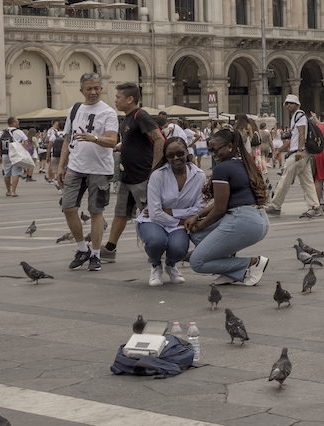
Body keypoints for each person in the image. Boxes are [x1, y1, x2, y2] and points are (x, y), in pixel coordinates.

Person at [186, 126, 270, 286]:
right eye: (210, 150)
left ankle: (253, 263)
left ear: (230, 147)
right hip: (259, 220)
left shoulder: (222, 169)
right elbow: (221, 201)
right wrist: (197, 216)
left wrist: (199, 225)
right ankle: (231, 273)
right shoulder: (245, 163)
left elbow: (219, 209)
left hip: (242, 221)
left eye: (216, 150)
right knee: (198, 236)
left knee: (197, 262)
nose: (213, 154)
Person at [55, 75, 120, 272]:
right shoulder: (74, 110)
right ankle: (82, 248)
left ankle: (96, 255)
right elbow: (68, 138)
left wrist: (93, 138)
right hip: (75, 167)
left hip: (99, 169)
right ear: (81, 90)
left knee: (95, 212)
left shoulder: (108, 112)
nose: (93, 92)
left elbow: (112, 141)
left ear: (102, 89)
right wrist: (60, 166)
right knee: (68, 208)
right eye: (89, 89)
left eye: (96, 88)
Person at [101, 82, 163, 263]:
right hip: (127, 176)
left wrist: (155, 170)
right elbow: (136, 142)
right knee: (121, 212)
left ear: (130, 99)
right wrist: (120, 147)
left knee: (151, 213)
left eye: (118, 97)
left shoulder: (140, 115)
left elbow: (159, 140)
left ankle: (161, 247)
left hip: (142, 176)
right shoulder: (127, 118)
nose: (115, 100)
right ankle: (110, 249)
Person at [140, 134, 204, 285]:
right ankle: (156, 266)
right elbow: (155, 213)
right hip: (154, 221)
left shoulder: (199, 176)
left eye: (180, 154)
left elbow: (200, 207)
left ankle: (170, 266)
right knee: (156, 242)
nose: (176, 158)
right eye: (170, 155)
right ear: (165, 157)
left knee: (179, 248)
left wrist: (172, 212)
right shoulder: (157, 175)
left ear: (187, 152)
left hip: (178, 222)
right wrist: (182, 220)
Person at [265, 94, 320, 218]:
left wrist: (299, 150)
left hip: (299, 153)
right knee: (307, 181)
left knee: (285, 178)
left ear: (297, 104)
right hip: (300, 152)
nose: (288, 105)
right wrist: (279, 150)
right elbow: (292, 139)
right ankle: (315, 206)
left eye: (290, 103)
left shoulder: (299, 115)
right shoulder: (295, 117)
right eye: (286, 103)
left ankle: (276, 205)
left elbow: (301, 134)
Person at [1, 118, 29, 196]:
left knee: (6, 173)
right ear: (13, 123)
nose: (18, 122)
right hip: (16, 155)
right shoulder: (19, 132)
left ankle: (8, 191)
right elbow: (26, 143)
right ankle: (13, 191)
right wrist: (26, 153)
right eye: (17, 121)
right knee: (15, 173)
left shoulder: (2, 132)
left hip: (5, 154)